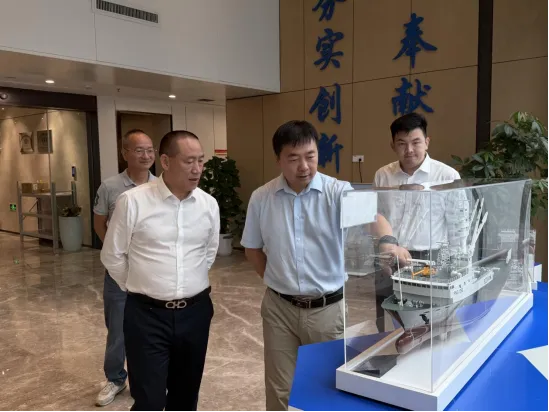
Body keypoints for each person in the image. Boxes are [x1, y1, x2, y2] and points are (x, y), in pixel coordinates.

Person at [241, 120, 404, 412]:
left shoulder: (337, 191)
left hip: (327, 310)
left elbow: (374, 218)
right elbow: (252, 248)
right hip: (279, 309)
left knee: (328, 384)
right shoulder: (262, 197)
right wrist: (278, 280)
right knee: (280, 387)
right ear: (278, 159)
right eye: (293, 158)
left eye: (310, 156)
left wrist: (388, 243)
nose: (304, 166)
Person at [101, 130, 220, 412]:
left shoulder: (208, 204)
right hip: (147, 316)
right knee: (149, 400)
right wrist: (140, 285)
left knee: (186, 397)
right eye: (189, 161)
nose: (197, 169)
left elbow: (208, 253)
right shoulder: (133, 201)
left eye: (201, 161)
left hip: (195, 313)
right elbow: (113, 255)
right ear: (165, 162)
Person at [373, 112, 465, 331]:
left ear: (427, 142)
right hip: (391, 256)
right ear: (392, 145)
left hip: (430, 258)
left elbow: (459, 224)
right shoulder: (383, 175)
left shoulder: (447, 176)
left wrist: (458, 265)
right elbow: (376, 215)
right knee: (389, 318)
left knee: (430, 323)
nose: (409, 150)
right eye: (402, 144)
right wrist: (386, 247)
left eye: (416, 142)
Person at [93, 129, 156, 407]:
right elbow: (99, 223)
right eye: (139, 150)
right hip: (118, 272)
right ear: (125, 153)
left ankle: (145, 378)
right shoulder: (110, 187)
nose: (146, 155)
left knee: (150, 328)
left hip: (149, 270)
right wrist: (115, 254)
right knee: (117, 327)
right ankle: (116, 378)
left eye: (150, 150)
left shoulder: (161, 185)